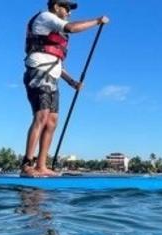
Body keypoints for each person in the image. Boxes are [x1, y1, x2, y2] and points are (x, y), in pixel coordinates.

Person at [21, 0, 109, 177]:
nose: (69, 12)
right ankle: (26, 165)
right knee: (42, 116)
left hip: (52, 76)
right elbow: (72, 28)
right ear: (56, 7)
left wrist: (72, 82)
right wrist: (97, 21)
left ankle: (41, 165)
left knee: (52, 121)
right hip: (38, 73)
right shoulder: (46, 17)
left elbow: (57, 64)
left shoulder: (55, 29)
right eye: (66, 8)